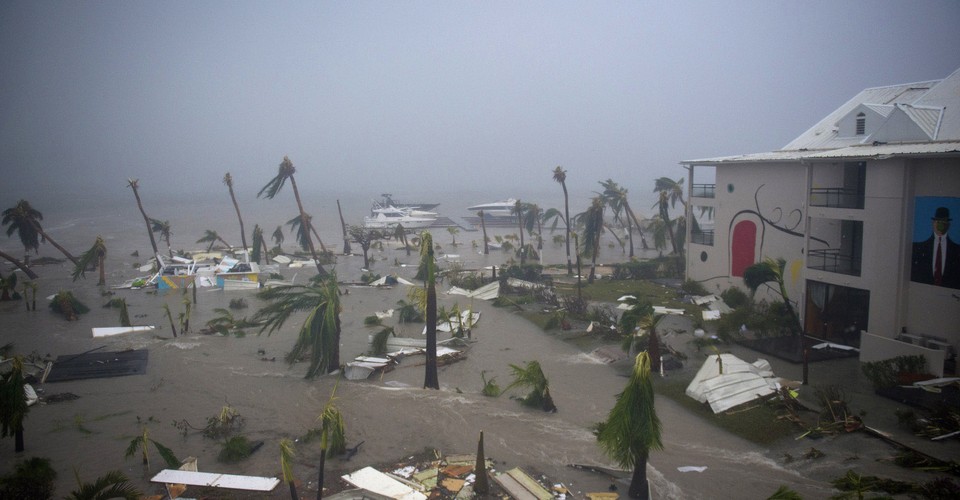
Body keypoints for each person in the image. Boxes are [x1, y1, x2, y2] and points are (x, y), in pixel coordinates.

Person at [911, 206, 960, 289]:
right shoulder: (917, 248)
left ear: (948, 225)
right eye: (938, 221)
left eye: (943, 222)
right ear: (933, 223)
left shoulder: (957, 251)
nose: (940, 225)